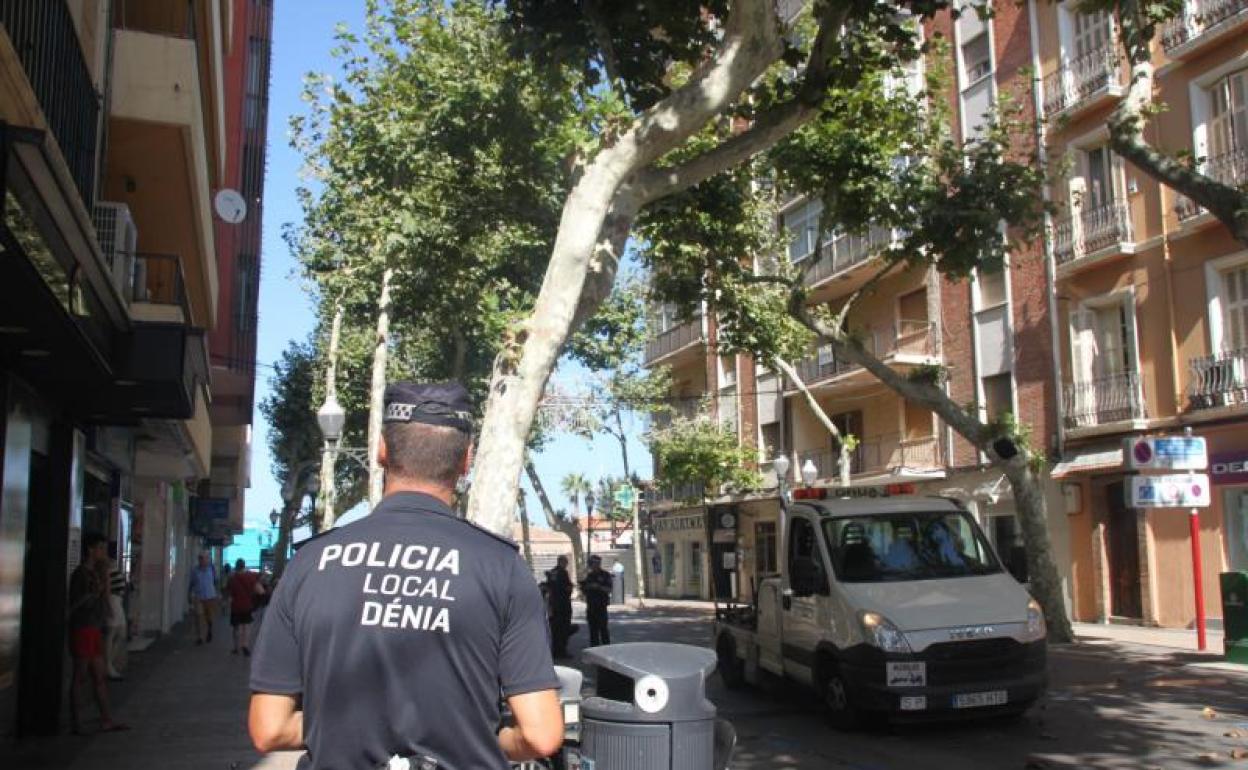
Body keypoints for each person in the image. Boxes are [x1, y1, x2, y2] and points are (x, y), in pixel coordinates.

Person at [249, 381, 563, 769]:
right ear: (467, 461)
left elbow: (269, 728)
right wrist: (480, 734)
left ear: (382, 450)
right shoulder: (502, 568)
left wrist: (343, 724)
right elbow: (541, 734)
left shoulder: (311, 562)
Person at [67, 533, 127, 734]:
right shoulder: (80, 574)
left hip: (94, 627)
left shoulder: (96, 573)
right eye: (100, 548)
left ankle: (106, 719)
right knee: (81, 676)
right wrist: (95, 593)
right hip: (83, 628)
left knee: (99, 676)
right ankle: (77, 723)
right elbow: (76, 604)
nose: (103, 552)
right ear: (90, 550)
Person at [226, 559, 265, 656]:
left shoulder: (232, 579)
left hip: (235, 606)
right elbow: (261, 591)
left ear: (236, 566)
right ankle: (245, 645)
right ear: (244, 566)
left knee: (236, 628)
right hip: (247, 605)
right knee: (246, 626)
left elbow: (229, 595)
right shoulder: (251, 576)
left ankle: (236, 647)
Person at [544, 555, 574, 659]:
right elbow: (567, 587)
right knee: (563, 628)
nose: (566, 565)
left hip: (554, 604)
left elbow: (549, 586)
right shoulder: (563, 572)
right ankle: (562, 651)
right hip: (563, 604)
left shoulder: (552, 572)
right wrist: (570, 588)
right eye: (565, 562)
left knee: (555, 629)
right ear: (562, 562)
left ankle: (554, 650)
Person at [580, 555, 612, 647]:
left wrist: (598, 587)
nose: (594, 565)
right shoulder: (589, 576)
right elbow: (584, 590)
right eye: (592, 563)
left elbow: (609, 589)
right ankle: (594, 649)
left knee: (603, 629)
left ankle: (607, 649)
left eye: (596, 563)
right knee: (593, 630)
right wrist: (584, 587)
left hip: (601, 606)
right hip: (591, 606)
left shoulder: (605, 575)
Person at [188, 552, 219, 644]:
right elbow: (191, 584)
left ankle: (209, 629)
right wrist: (189, 594)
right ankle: (200, 637)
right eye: (200, 558)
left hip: (210, 597)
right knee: (198, 616)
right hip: (199, 597)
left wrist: (218, 594)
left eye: (204, 558)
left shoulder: (211, 569)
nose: (202, 560)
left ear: (207, 560)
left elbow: (215, 582)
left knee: (208, 617)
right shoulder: (194, 571)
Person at [105, 563, 128, 680]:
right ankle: (108, 665)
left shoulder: (109, 563)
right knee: (112, 632)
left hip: (117, 600)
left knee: (121, 633)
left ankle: (109, 663)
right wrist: (108, 605)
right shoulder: (105, 566)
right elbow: (107, 587)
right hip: (113, 600)